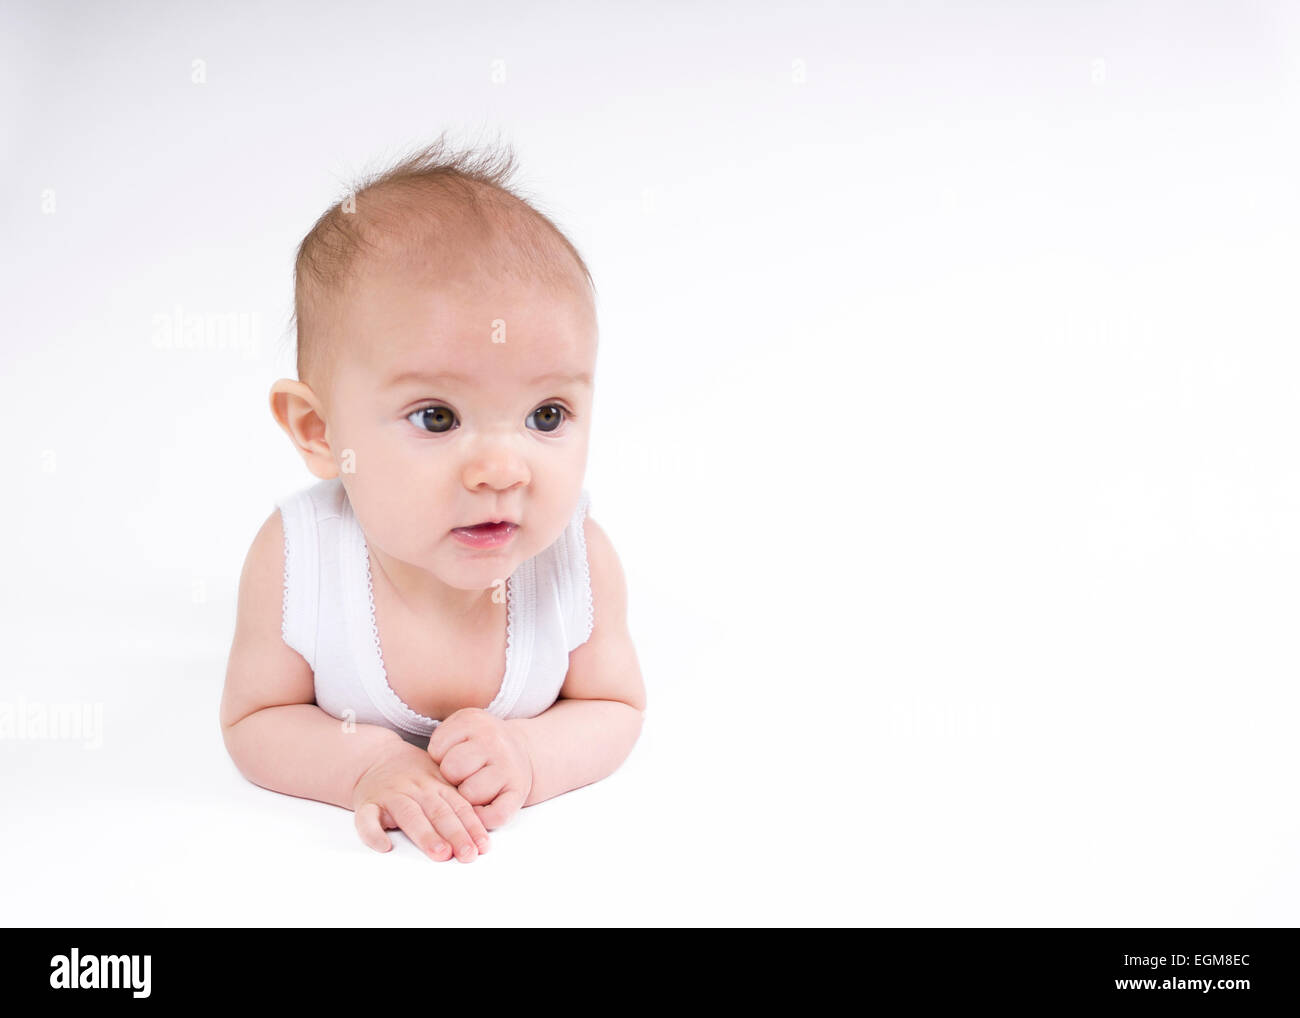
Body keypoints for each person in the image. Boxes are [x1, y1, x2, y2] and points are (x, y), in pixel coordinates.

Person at [219, 135, 646, 863]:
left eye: (547, 416)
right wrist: (365, 765)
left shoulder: (576, 560)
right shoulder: (299, 560)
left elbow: (616, 707)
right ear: (320, 431)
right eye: (438, 417)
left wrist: (529, 754)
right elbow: (257, 719)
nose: (501, 471)